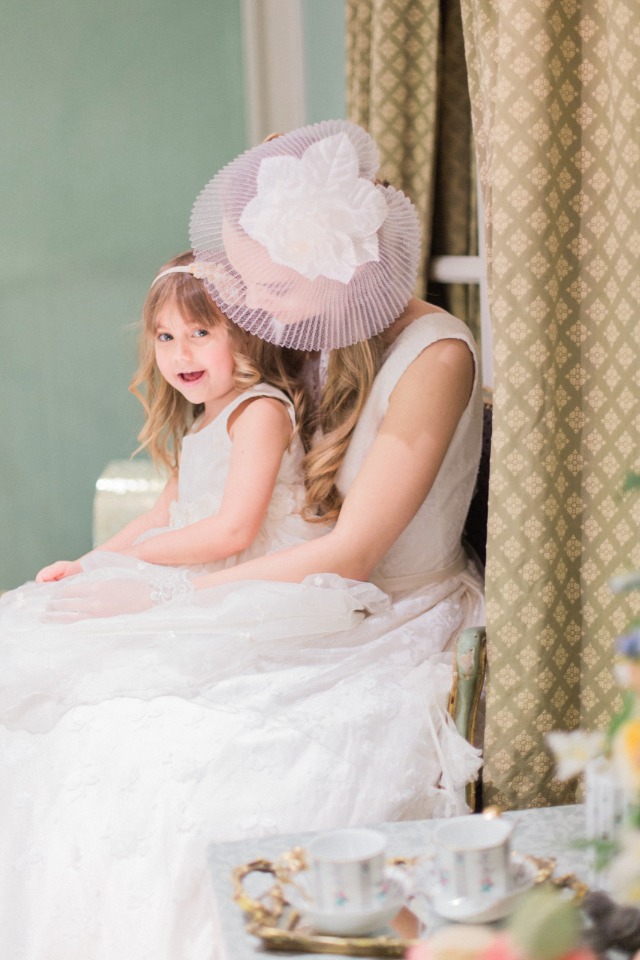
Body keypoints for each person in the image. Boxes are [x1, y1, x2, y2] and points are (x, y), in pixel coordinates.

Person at [0, 120, 485, 960]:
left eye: (271, 288)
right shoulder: (309, 327)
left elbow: (354, 554)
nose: (251, 308)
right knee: (56, 701)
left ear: (338, 271)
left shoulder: (433, 356)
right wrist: (120, 565)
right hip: (278, 583)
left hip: (376, 610)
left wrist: (162, 590)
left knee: (167, 757)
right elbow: (209, 493)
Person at [34, 249, 317, 584]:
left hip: (250, 578)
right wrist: (87, 565)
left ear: (244, 334)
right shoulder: (202, 423)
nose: (181, 354)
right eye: (166, 336)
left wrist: (132, 558)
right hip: (204, 570)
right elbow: (160, 514)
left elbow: (234, 531)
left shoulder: (259, 413)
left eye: (200, 333)